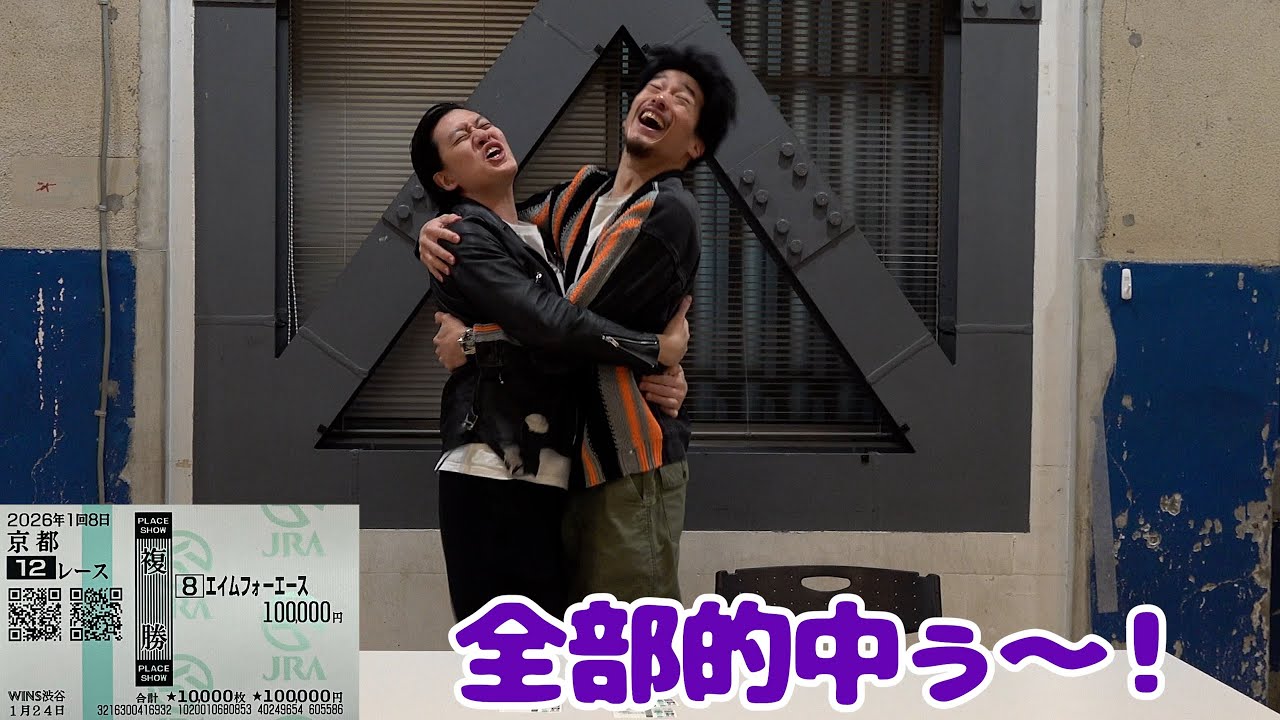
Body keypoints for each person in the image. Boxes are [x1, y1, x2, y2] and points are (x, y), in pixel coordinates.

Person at [419, 45, 738, 604]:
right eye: (655, 86)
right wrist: (431, 230)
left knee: (626, 642)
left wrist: (474, 341)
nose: (662, 97)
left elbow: (558, 326)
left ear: (695, 146)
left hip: (624, 461)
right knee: (553, 644)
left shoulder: (664, 211)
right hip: (564, 464)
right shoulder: (581, 196)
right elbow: (504, 240)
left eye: (683, 98)